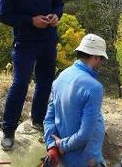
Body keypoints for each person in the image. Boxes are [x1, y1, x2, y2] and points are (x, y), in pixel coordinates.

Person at [0, 0, 64, 150]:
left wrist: (56, 16)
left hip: (48, 41)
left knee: (45, 83)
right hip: (25, 42)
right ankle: (8, 131)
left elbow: (59, 4)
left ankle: (38, 120)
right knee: (20, 84)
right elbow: (4, 15)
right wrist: (30, 21)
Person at [43, 34, 108, 166]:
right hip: (87, 160)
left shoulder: (62, 76)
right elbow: (85, 134)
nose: (102, 63)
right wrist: (62, 145)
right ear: (95, 57)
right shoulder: (94, 87)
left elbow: (49, 118)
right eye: (102, 59)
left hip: (65, 160)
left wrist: (52, 146)